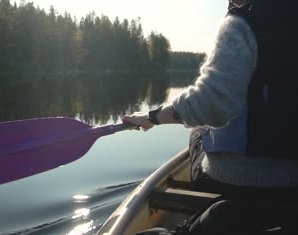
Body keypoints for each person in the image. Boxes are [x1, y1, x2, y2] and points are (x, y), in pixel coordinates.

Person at [122, 0, 298, 197]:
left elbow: (211, 104)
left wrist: (153, 117)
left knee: (198, 131)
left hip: (237, 181)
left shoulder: (242, 23)